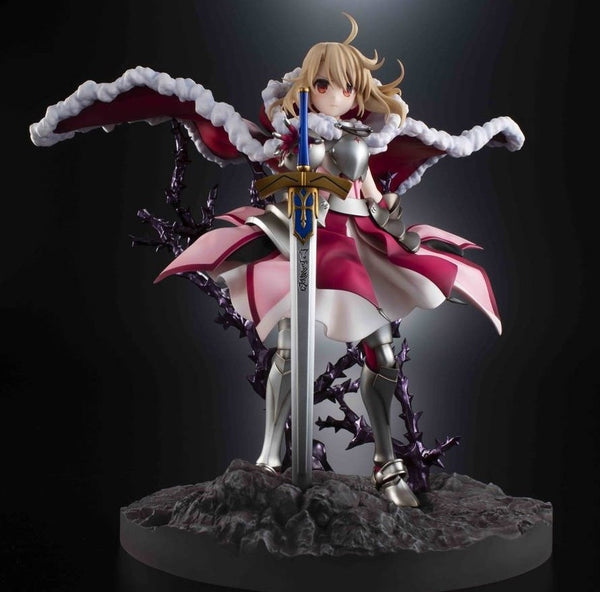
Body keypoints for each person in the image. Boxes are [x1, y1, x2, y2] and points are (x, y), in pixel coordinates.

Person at [29, 13, 524, 507]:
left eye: (347, 85)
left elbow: (373, 193)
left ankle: (385, 464)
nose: (337, 94)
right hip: (307, 239)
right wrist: (293, 173)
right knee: (288, 346)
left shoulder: (362, 139)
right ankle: (271, 455)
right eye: (324, 83)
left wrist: (390, 212)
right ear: (307, 86)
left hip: (359, 244)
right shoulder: (292, 137)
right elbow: (282, 183)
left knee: (383, 351)